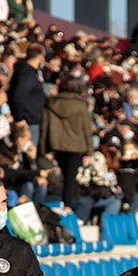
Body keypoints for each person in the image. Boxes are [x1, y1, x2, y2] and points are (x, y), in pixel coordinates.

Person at [40, 76, 92, 213]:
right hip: (76, 147)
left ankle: (52, 206)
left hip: (56, 145)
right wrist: (90, 152)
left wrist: (43, 149)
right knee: (70, 178)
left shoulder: (51, 104)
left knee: (57, 177)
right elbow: (87, 130)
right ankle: (67, 206)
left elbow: (44, 128)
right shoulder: (81, 106)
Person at [8, 42, 45, 147]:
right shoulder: (27, 74)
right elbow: (18, 96)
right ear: (39, 56)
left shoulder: (32, 72)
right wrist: (20, 118)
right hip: (28, 120)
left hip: (32, 118)